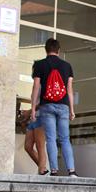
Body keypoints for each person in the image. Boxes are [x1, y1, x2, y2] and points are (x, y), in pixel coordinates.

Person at [30, 38, 77, 177]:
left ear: (46, 50)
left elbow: (36, 87)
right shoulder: (67, 66)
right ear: (59, 50)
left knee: (50, 139)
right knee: (65, 138)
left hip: (46, 106)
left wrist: (33, 108)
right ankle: (71, 171)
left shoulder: (40, 65)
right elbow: (69, 90)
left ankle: (54, 171)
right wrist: (72, 110)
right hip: (63, 106)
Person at [23, 108, 48, 175]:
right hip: (33, 119)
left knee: (40, 147)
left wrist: (29, 111)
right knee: (28, 147)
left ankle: (42, 170)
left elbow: (41, 103)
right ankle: (43, 169)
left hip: (41, 118)